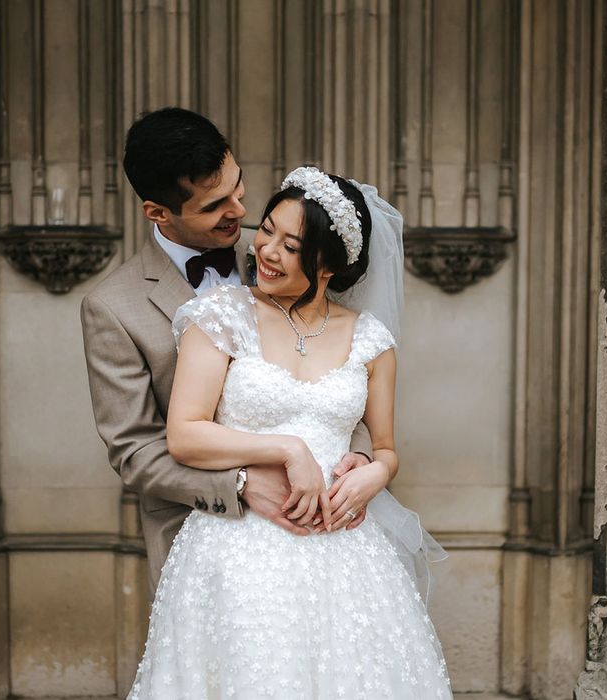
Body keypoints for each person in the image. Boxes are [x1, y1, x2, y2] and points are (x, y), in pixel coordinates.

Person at [127, 166, 453, 698]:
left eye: (291, 244)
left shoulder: (371, 339)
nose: (265, 250)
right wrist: (286, 449)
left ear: (329, 264)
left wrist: (375, 472)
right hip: (236, 547)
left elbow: (387, 447)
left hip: (345, 551)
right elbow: (184, 434)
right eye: (268, 230)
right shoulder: (220, 316)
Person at [81, 108, 374, 596]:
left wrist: (360, 459)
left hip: (326, 526)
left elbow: (335, 365)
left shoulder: (287, 250)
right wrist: (241, 484)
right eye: (216, 204)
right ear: (158, 212)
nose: (240, 212)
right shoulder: (113, 308)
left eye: (238, 188)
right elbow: (135, 450)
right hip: (204, 535)